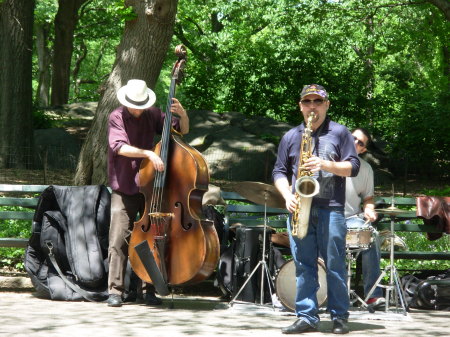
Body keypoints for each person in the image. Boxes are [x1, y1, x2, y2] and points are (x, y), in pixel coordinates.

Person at [273, 84, 360, 334]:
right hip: (300, 208)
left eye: (318, 102)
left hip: (331, 208)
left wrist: (324, 164)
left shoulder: (340, 132)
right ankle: (306, 316)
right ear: (301, 106)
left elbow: (353, 167)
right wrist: (287, 195)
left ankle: (339, 316)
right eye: (308, 102)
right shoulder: (291, 136)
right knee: (304, 264)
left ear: (326, 105)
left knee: (334, 264)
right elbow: (279, 171)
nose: (313, 107)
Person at [107, 79, 189, 307]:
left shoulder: (151, 114)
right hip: (123, 186)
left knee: (153, 237)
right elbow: (119, 147)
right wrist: (149, 154)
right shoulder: (116, 116)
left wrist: (182, 115)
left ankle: (148, 289)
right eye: (134, 105)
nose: (137, 109)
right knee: (119, 238)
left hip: (151, 187)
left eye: (141, 105)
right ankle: (115, 291)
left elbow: (180, 130)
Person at [345, 128, 384, 309]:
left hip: (349, 221)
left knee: (370, 235)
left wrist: (369, 210)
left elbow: (368, 198)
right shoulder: (328, 159)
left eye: (360, 143)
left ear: (363, 150)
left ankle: (372, 295)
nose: (355, 143)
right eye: (353, 138)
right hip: (324, 218)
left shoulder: (366, 169)